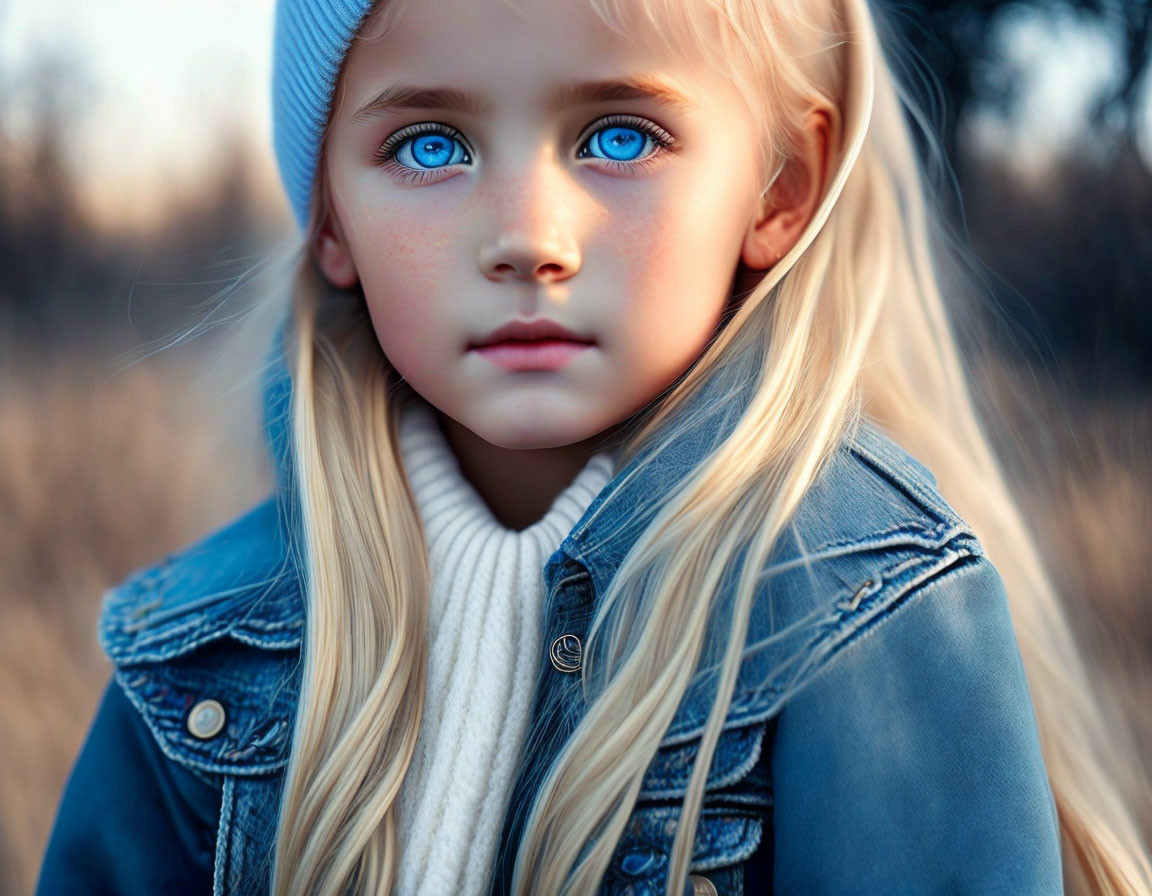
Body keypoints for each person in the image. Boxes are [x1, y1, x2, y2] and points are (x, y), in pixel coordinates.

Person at [33, 0, 1152, 892]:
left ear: (779, 187)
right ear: (331, 220)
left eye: (621, 135)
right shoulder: (199, 655)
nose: (528, 235)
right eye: (430, 145)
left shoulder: (859, 618)